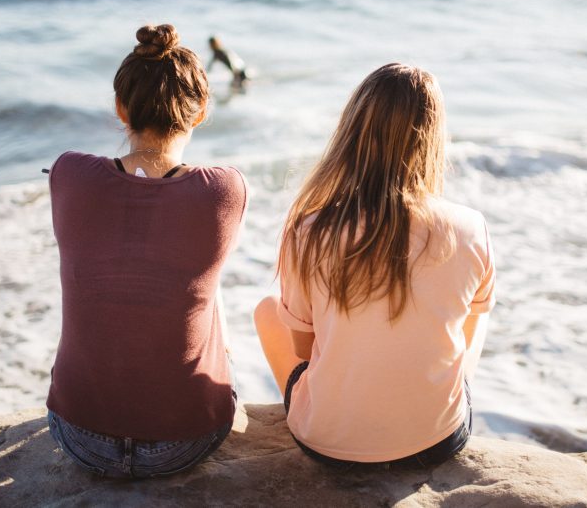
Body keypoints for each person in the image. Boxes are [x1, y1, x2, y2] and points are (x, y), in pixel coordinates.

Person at [254, 63, 495, 469]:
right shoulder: (470, 227)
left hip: (328, 445)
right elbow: (466, 330)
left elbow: (304, 349)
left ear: (351, 133)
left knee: (267, 309)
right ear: (433, 138)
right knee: (477, 315)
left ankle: (338, 414)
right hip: (437, 438)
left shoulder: (309, 230)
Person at [45, 23, 248, 479]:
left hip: (80, 437)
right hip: (186, 441)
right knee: (204, 287)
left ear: (121, 108)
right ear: (198, 114)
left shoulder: (69, 172)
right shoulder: (224, 189)